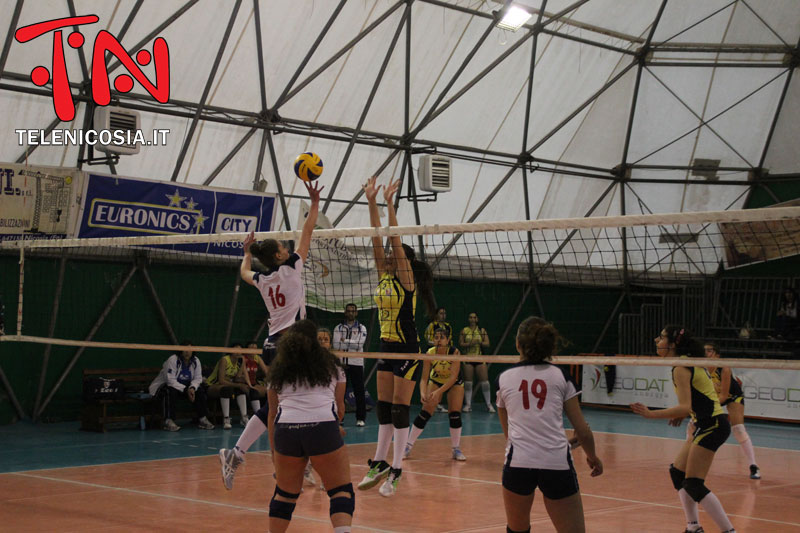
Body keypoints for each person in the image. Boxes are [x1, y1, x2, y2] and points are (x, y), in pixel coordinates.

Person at [219, 180, 322, 490]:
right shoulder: (291, 268)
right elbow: (307, 233)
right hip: (291, 344)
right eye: (283, 248)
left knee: (281, 407)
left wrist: (246, 253)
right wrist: (314, 203)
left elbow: (243, 273)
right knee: (289, 405)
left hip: (272, 345)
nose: (289, 250)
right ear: (280, 257)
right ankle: (287, 465)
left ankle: (239, 454)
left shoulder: (264, 280)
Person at [357, 175, 436, 498]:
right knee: (384, 406)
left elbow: (393, 237)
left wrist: (390, 205)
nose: (388, 253)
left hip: (406, 346)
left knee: (402, 408)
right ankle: (379, 462)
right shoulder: (383, 273)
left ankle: (398, 467)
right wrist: (371, 201)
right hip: (386, 345)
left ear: (403, 258)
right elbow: (379, 238)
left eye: (394, 252)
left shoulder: (406, 280)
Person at [496, 317, 602, 533]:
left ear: (518, 344)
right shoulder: (561, 376)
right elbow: (582, 430)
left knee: (516, 530)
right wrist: (592, 457)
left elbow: (510, 434)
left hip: (518, 463)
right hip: (556, 464)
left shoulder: (504, 378)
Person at [631, 326, 736, 533]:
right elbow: (697, 398)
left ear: (673, 344)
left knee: (694, 483)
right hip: (705, 423)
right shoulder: (685, 362)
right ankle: (693, 527)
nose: (656, 340)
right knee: (677, 474)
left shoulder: (681, 367)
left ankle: (729, 531)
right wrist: (683, 414)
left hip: (713, 424)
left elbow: (685, 405)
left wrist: (652, 414)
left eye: (661, 337)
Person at [265, 319, 354, 533]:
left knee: (285, 494)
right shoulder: (332, 364)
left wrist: (273, 450)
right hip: (322, 427)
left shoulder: (278, 369)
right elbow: (340, 408)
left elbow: (272, 413)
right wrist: (334, 428)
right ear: (315, 341)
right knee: (340, 490)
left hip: (286, 431)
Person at [404, 327, 466, 461]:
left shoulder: (454, 352)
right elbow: (424, 378)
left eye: (442, 338)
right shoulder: (430, 353)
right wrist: (422, 392)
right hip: (436, 380)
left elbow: (453, 378)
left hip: (454, 383)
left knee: (454, 414)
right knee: (425, 411)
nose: (438, 340)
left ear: (448, 340)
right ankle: (407, 447)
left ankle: (456, 449)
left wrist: (438, 392)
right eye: (436, 337)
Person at [703, 342, 761, 480]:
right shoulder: (700, 368)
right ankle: (686, 462)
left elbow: (723, 396)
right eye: (704, 350)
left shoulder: (724, 368)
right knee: (692, 425)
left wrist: (707, 405)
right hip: (713, 397)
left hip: (732, 397)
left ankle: (754, 466)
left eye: (709, 351)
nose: (706, 353)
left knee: (739, 429)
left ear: (717, 354)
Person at [148, 342, 214, 431]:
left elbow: (198, 378)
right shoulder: (173, 359)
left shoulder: (196, 360)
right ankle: (168, 421)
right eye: (185, 349)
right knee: (170, 391)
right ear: (180, 350)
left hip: (185, 389)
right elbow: (170, 380)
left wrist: (192, 388)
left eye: (190, 350)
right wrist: (186, 389)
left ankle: (203, 419)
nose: (187, 352)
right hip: (163, 388)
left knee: (200, 391)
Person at [333, 303, 368, 426]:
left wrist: (345, 341)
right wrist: (351, 343)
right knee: (339, 392)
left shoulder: (362, 328)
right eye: (348, 311)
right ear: (345, 312)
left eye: (353, 311)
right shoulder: (338, 328)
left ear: (356, 313)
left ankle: (361, 418)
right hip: (342, 364)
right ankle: (340, 417)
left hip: (356, 363)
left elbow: (359, 345)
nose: (350, 313)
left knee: (359, 391)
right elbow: (337, 345)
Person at [204, 343, 252, 430]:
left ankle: (244, 417)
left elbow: (237, 378)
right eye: (236, 350)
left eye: (240, 351)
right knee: (227, 389)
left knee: (240, 390)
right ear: (230, 351)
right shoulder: (225, 360)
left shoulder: (239, 362)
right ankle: (226, 419)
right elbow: (221, 380)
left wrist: (243, 364)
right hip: (212, 385)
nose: (238, 352)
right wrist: (239, 385)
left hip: (228, 386)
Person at [459, 312, 492, 413]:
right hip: (468, 359)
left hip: (479, 358)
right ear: (469, 319)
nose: (472, 319)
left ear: (477, 319)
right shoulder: (464, 330)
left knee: (485, 382)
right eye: (470, 317)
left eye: (474, 317)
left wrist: (479, 342)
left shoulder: (481, 331)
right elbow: (460, 343)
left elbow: (487, 343)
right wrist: (469, 343)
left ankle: (489, 405)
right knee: (468, 383)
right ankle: (468, 405)